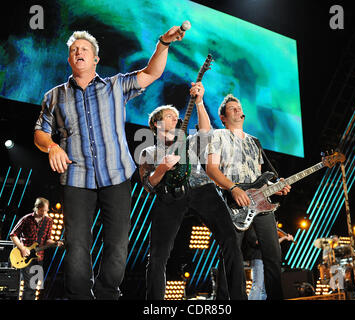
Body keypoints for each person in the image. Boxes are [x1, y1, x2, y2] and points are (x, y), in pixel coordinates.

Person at [33, 26, 186, 300]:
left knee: (117, 245)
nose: (78, 52)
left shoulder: (115, 85)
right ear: (69, 60)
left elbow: (152, 73)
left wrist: (163, 42)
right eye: (73, 50)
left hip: (116, 176)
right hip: (76, 179)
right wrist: (52, 146)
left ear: (95, 60)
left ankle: (107, 295)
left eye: (84, 49)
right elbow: (39, 133)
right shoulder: (53, 96)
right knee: (77, 246)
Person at [139, 83, 247, 300]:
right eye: (169, 116)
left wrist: (199, 101)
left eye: (175, 116)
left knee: (230, 241)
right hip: (169, 197)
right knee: (158, 255)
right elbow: (148, 186)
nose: (174, 119)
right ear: (156, 124)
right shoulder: (148, 152)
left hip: (202, 190)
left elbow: (206, 130)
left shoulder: (188, 142)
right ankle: (155, 303)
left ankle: (237, 298)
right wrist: (162, 169)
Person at [206, 94, 291, 300]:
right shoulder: (217, 136)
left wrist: (273, 187)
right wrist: (233, 188)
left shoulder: (254, 141)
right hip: (233, 202)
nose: (237, 110)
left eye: (239, 107)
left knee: (273, 255)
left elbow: (259, 177)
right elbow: (211, 169)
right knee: (232, 255)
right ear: (223, 117)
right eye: (232, 108)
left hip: (260, 203)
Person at [10, 197, 62, 300]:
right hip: (25, 257)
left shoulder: (49, 221)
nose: (45, 213)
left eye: (46, 211)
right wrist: (22, 248)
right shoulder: (26, 219)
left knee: (34, 288)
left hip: (39, 258)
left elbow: (47, 239)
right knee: (29, 287)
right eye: (43, 210)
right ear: (37, 208)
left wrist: (55, 243)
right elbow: (13, 234)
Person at [242, 224, 295, 300]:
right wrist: (282, 237)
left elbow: (272, 244)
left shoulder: (265, 231)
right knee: (258, 285)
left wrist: (284, 238)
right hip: (258, 258)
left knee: (265, 289)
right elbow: (258, 242)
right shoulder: (252, 228)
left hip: (267, 259)